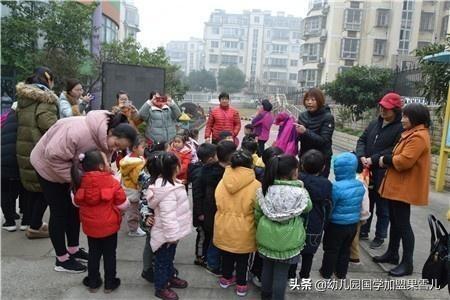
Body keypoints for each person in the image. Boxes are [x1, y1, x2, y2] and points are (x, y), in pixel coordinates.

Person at [30, 111, 137, 273]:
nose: (113, 148)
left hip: (74, 172)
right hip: (47, 166)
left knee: (75, 207)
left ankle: (73, 249)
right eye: (115, 144)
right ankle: (62, 259)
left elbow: (103, 163)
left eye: (118, 148)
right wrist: (79, 182)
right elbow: (53, 156)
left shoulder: (106, 140)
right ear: (111, 132)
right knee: (59, 211)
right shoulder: (78, 131)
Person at [374, 103, 431, 277]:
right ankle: (392, 253)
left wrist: (384, 159)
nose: (403, 119)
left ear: (416, 119)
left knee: (403, 225)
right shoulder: (411, 134)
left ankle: (407, 263)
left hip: (404, 188)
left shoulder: (419, 137)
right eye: (403, 116)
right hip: (397, 186)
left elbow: (404, 161)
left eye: (406, 116)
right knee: (395, 221)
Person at [255, 155, 312, 300]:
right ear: (294, 172)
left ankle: (265, 295)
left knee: (266, 268)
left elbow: (257, 212)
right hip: (289, 241)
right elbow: (308, 207)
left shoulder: (265, 189)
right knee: (281, 274)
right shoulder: (300, 192)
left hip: (266, 237)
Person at [72, 150, 129, 293]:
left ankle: (93, 282)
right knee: (110, 254)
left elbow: (76, 202)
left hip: (91, 227)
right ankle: (110, 283)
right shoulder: (112, 181)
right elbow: (123, 203)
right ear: (102, 166)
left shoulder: (80, 181)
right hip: (109, 226)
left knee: (93, 254)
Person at [356, 92, 404, 249]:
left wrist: (374, 159)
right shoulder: (374, 124)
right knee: (366, 202)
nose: (383, 111)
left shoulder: (400, 129)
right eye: (382, 107)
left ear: (396, 110)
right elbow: (362, 139)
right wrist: (362, 155)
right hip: (367, 171)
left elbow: (394, 150)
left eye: (387, 108)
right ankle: (363, 230)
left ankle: (380, 235)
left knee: (383, 207)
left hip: (384, 172)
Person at [16, 66, 59, 239]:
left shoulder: (24, 98)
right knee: (44, 189)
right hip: (39, 149)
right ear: (47, 79)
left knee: (33, 188)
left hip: (24, 148)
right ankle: (34, 226)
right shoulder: (45, 100)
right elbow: (49, 125)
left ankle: (31, 221)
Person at [214, 150, 261, 297]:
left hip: (224, 224)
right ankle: (241, 285)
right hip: (244, 228)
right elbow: (258, 208)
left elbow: (217, 200)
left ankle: (225, 279)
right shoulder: (256, 185)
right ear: (250, 166)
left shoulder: (223, 181)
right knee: (243, 260)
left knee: (226, 254)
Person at [147, 152, 192, 300]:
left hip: (170, 234)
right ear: (174, 168)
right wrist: (172, 237)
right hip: (166, 235)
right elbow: (168, 217)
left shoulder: (169, 184)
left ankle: (170, 276)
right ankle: (161, 287)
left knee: (168, 259)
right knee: (162, 261)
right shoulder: (167, 191)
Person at [319, 152, 365, 279]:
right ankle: (341, 273)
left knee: (331, 250)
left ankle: (326, 272)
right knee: (345, 249)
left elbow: (330, 207)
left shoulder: (335, 187)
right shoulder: (360, 185)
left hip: (336, 224)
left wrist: (325, 222)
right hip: (352, 224)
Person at [288, 149, 332, 280]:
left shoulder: (296, 181)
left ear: (301, 165)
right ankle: (304, 277)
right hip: (315, 225)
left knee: (293, 252)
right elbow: (329, 206)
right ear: (323, 167)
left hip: (296, 223)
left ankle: (291, 276)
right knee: (308, 255)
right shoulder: (326, 184)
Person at [198, 140, 237, 276]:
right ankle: (213, 264)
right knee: (217, 239)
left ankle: (211, 263)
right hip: (220, 211)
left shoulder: (207, 170)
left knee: (214, 238)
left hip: (210, 211)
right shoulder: (229, 174)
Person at [189, 143, 217, 268]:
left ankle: (205, 255)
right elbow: (197, 196)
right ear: (210, 159)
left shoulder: (208, 169)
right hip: (201, 212)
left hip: (207, 211)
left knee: (207, 235)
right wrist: (200, 213)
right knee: (202, 235)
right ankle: (199, 257)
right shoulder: (199, 173)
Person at [296, 88, 335, 178]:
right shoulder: (302, 116)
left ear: (320, 101)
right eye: (307, 100)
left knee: (319, 187)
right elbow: (300, 137)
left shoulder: (327, 117)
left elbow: (324, 140)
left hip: (321, 159)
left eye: (313, 100)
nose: (309, 102)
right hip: (305, 157)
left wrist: (305, 131)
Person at [1, 102, 25, 231]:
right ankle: (20, 218)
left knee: (5, 191)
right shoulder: (24, 121)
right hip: (17, 159)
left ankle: (9, 221)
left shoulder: (5, 119)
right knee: (16, 189)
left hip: (3, 160)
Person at [119, 136, 147, 237]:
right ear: (135, 148)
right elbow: (138, 179)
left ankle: (134, 227)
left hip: (127, 188)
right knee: (133, 211)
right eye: (143, 147)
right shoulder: (136, 163)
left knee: (130, 209)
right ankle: (133, 230)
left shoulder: (128, 159)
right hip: (133, 190)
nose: (144, 150)